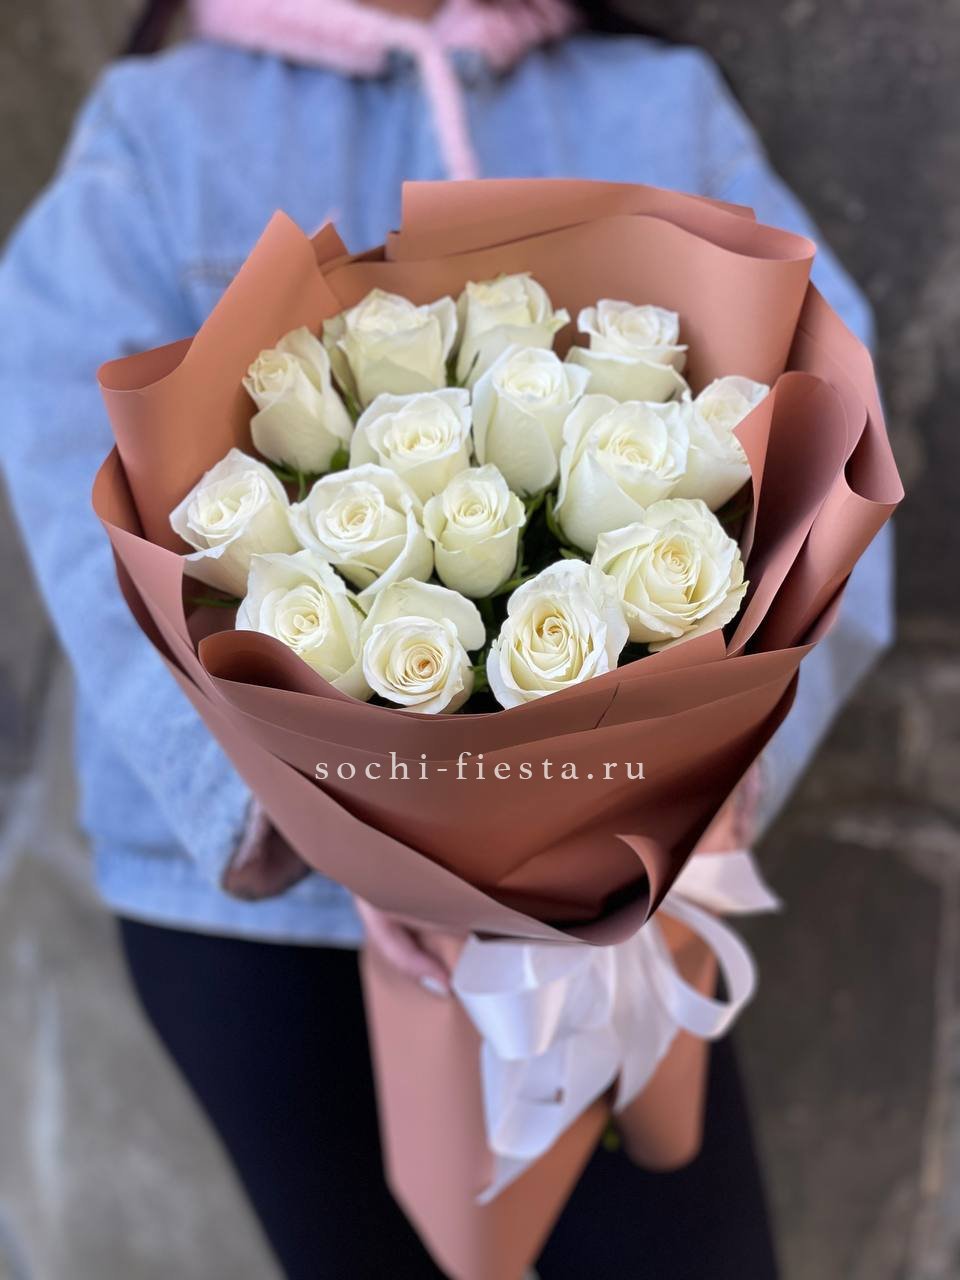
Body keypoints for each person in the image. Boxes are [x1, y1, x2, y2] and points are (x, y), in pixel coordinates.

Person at [0, 1, 892, 1276]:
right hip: (268, 928)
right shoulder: (164, 125)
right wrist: (305, 812)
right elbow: (68, 474)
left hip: (625, 901)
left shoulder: (657, 100)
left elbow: (837, 438)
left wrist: (702, 796)